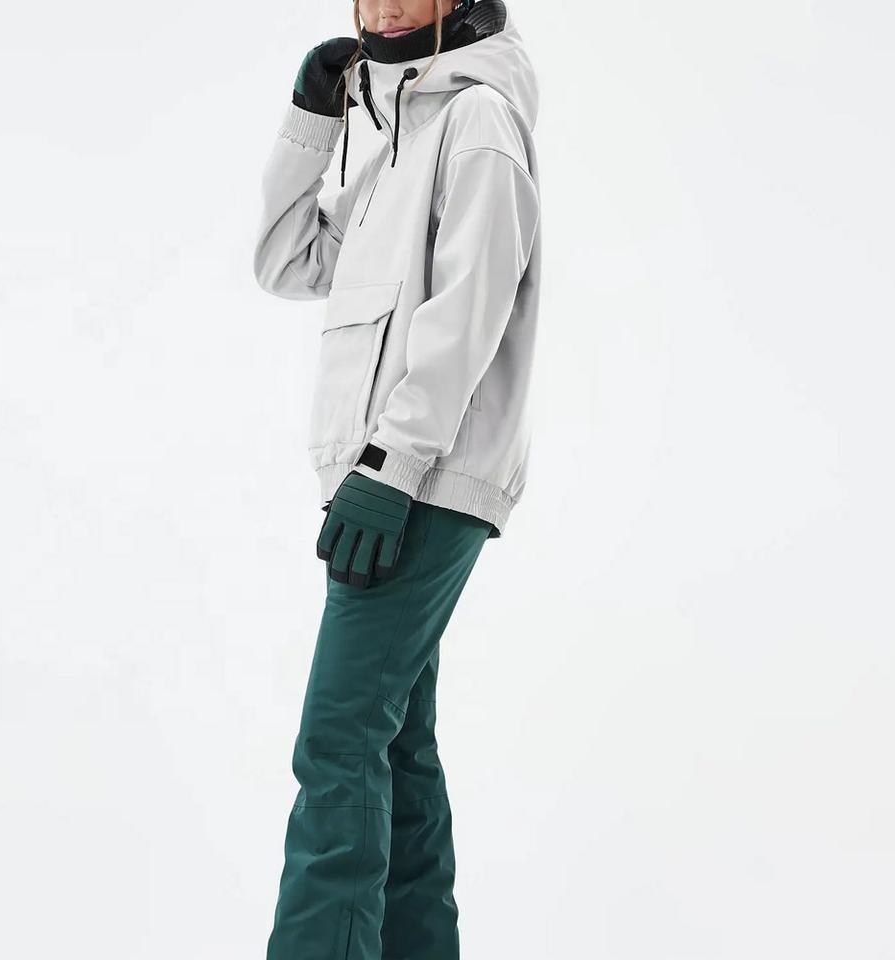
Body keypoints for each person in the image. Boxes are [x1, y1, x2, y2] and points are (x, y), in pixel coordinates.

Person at [252, 1, 542, 956]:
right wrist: (314, 120)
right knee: (394, 749)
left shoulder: (477, 118)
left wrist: (393, 466)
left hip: (419, 477)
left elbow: (472, 308)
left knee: (337, 743)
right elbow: (286, 262)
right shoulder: (397, 129)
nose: (380, 7)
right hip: (385, 475)